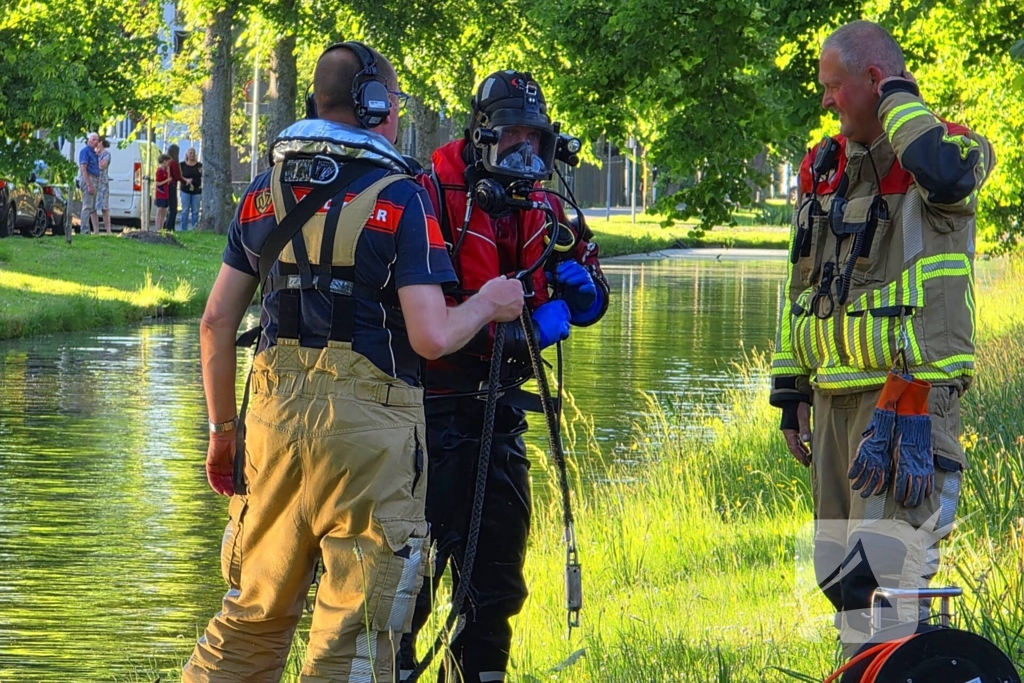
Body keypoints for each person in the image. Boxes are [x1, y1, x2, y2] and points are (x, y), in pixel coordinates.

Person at [181, 42, 525, 683]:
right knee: (354, 636)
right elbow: (430, 335)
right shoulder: (403, 195)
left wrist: (222, 432)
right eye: (391, 103)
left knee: (250, 617)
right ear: (372, 106)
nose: (394, 115)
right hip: (370, 435)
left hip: (271, 422)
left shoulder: (261, 194)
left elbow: (215, 323)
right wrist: (488, 302)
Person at [769, 20, 995, 657]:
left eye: (835, 85)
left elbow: (945, 179)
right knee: (842, 582)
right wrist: (792, 393)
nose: (825, 100)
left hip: (908, 403)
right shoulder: (823, 167)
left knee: (889, 577)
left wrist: (899, 95)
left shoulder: (950, 151)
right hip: (835, 404)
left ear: (875, 81)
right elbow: (800, 284)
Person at [398, 70, 609, 683]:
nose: (526, 150)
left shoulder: (547, 205)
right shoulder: (429, 196)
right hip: (429, 421)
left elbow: (591, 286)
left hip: (503, 416)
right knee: (410, 584)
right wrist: (518, 329)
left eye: (536, 138)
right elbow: (428, 323)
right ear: (481, 135)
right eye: (512, 134)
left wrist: (584, 297)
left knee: (496, 583)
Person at [78, 132, 101, 235]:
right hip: (88, 179)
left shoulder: (94, 153)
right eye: (94, 139)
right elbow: (83, 168)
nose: (96, 142)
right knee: (87, 206)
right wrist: (88, 184)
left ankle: (89, 230)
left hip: (94, 179)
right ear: (89, 140)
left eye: (97, 140)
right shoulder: (85, 151)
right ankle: (84, 230)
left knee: (91, 207)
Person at [180, 147, 202, 231]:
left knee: (195, 212)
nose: (192, 155)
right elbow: (179, 176)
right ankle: (183, 229)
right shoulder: (182, 165)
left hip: (196, 191)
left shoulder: (199, 166)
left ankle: (194, 229)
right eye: (190, 153)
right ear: (187, 154)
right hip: (185, 190)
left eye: (193, 153)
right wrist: (186, 180)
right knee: (185, 211)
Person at [163, 143, 182, 231]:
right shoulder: (173, 162)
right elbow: (177, 176)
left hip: (166, 186)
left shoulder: (166, 162)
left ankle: (166, 226)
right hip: (172, 185)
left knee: (168, 208)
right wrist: (185, 181)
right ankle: (169, 227)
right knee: (173, 209)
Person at [96, 138, 113, 234]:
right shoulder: (94, 154)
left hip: (103, 184)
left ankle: (108, 230)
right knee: (93, 208)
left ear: (101, 142)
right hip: (95, 182)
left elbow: (102, 166)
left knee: (104, 207)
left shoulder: (106, 154)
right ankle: (95, 230)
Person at [154, 155, 171, 232]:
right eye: (167, 162)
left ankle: (161, 227)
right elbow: (157, 183)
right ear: (164, 161)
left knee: (164, 210)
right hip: (161, 193)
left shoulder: (165, 170)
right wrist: (166, 180)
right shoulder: (159, 171)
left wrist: (168, 172)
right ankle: (158, 228)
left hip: (165, 193)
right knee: (160, 209)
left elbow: (169, 180)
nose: (168, 163)